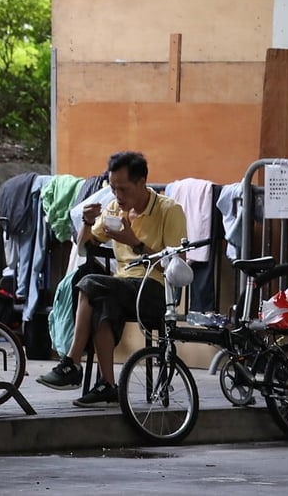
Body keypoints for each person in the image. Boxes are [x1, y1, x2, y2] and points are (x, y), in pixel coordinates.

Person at [36, 151, 188, 407]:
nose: (117, 195)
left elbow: (174, 265)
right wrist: (86, 221)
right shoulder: (115, 208)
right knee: (101, 300)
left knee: (92, 284)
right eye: (113, 188)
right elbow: (85, 248)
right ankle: (108, 384)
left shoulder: (168, 210)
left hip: (157, 290)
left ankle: (72, 363)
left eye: (123, 188)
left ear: (142, 182)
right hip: (123, 288)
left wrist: (135, 243)